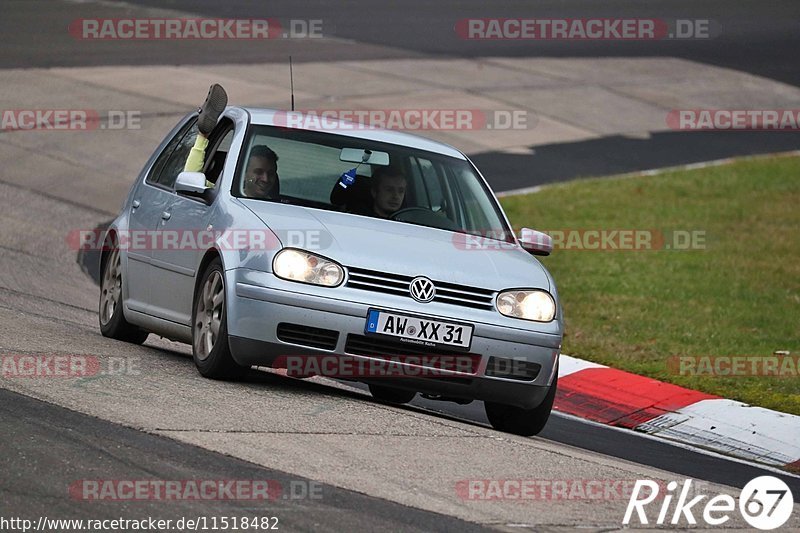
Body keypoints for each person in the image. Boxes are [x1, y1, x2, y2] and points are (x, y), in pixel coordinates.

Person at [184, 84, 279, 199]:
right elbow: (190, 178)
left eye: (271, 174)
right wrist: (203, 136)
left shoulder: (285, 209)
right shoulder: (223, 198)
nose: (265, 179)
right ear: (243, 174)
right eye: (258, 172)